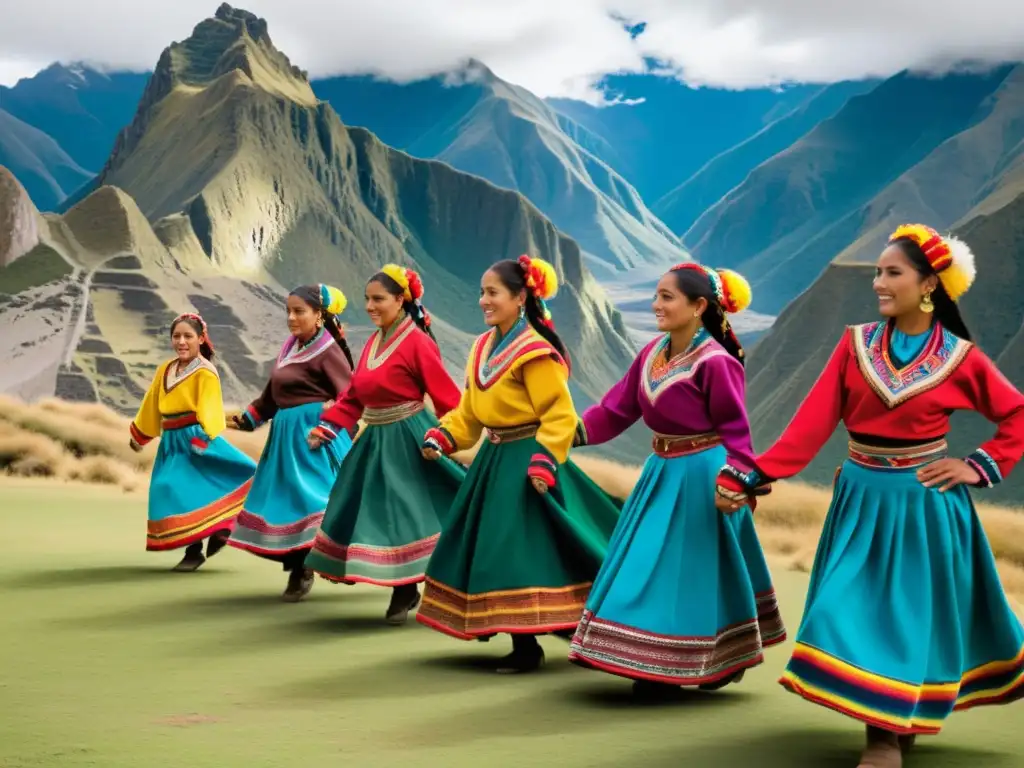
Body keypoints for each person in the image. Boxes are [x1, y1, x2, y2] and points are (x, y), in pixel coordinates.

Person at [716, 224, 1024, 767]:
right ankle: (888, 723)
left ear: (929, 283)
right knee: (843, 609)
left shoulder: (961, 357)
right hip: (860, 498)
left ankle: (884, 737)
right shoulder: (854, 344)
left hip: (924, 506)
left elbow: (1016, 414)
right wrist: (753, 473)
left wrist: (977, 466)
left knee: (905, 616)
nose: (878, 282)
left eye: (892, 273)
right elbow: (810, 426)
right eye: (878, 272)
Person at [566, 263, 785, 696]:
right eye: (656, 295)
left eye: (667, 297)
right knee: (648, 562)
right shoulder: (652, 353)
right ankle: (654, 660)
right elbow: (615, 411)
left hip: (704, 475)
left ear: (699, 306)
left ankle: (702, 660)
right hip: (661, 472)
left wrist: (735, 479)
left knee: (698, 570)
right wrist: (568, 435)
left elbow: (737, 431)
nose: (656, 305)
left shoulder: (717, 363)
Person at [417, 255, 622, 674]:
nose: (483, 301)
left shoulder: (535, 352)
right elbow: (470, 412)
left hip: (530, 461)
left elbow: (559, 414)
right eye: (481, 292)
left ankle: (554, 637)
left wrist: (544, 462)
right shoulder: (481, 348)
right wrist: (444, 434)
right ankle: (527, 640)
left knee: (532, 550)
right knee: (502, 548)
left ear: (520, 297)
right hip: (494, 461)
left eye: (492, 292)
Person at [304, 265, 466, 624]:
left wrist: (448, 435)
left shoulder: (418, 343)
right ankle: (405, 587)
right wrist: (328, 427)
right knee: (370, 511)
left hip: (409, 439)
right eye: (367, 299)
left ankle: (406, 588)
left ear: (400, 300)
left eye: (378, 299)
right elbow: (355, 394)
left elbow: (447, 398)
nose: (370, 306)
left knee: (405, 514)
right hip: (375, 441)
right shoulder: (375, 342)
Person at [227, 285, 355, 602]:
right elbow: (273, 392)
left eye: (299, 311)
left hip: (314, 438)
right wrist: (251, 416)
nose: (291, 317)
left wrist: (330, 423)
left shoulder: (328, 351)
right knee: (284, 505)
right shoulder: (291, 347)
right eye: (289, 311)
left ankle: (307, 568)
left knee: (314, 503)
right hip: (284, 440)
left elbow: (350, 396)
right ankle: (301, 565)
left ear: (319, 315)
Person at [129, 313, 257, 571]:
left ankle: (211, 537)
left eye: (188, 336)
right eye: (176, 336)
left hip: (195, 439)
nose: (181, 341)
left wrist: (203, 438)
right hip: (171, 443)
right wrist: (140, 435)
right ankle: (204, 542)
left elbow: (210, 408)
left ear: (201, 339)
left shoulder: (205, 372)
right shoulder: (164, 369)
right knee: (165, 490)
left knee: (181, 488)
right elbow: (152, 403)